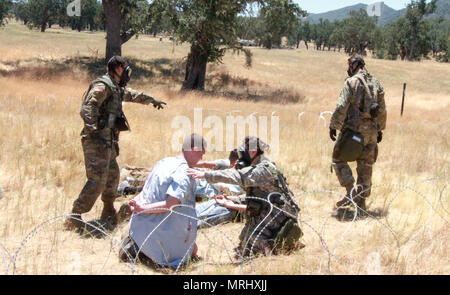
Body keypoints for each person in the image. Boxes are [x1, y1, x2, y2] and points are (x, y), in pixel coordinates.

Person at [65, 56, 167, 231]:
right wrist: (93, 130)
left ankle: (108, 210)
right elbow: (88, 107)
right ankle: (74, 216)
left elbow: (130, 94)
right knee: (97, 179)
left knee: (112, 175)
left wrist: (151, 99)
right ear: (117, 69)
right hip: (96, 141)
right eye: (125, 68)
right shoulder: (102, 85)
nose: (128, 72)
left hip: (109, 141)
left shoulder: (115, 87)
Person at [187, 136, 303, 258]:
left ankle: (275, 249)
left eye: (242, 153)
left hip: (279, 215)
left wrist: (205, 175)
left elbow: (238, 177)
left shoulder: (262, 169)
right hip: (271, 210)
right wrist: (231, 200)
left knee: (250, 242)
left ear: (252, 152)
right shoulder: (259, 165)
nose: (240, 157)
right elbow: (256, 198)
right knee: (244, 244)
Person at [119, 133, 206, 268]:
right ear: (194, 149)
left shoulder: (163, 163)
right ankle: (147, 252)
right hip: (161, 234)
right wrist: (141, 209)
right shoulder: (184, 172)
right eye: (202, 152)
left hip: (140, 228)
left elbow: (145, 192)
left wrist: (136, 203)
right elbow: (170, 205)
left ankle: (138, 246)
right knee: (192, 251)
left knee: (192, 247)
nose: (202, 157)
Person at [329, 55, 387, 211]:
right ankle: (360, 203)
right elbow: (382, 110)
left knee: (337, 158)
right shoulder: (376, 83)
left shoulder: (351, 82)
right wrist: (380, 129)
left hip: (354, 132)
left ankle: (350, 191)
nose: (348, 68)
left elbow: (342, 106)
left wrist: (333, 125)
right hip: (372, 133)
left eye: (349, 64)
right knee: (366, 165)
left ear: (355, 65)